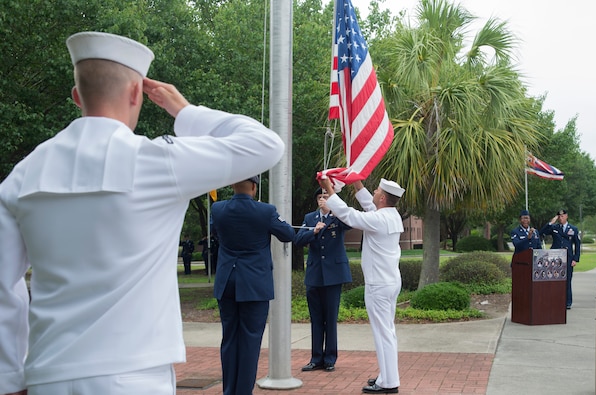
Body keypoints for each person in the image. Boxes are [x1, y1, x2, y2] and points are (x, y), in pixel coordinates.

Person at [0, 31, 285, 395]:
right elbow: (265, 145)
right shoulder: (156, 162)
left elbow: (3, 284)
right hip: (134, 373)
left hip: (47, 372)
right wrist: (184, 111)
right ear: (137, 93)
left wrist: (9, 377)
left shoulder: (23, 174)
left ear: (76, 97)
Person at [319, 176, 404, 395]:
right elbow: (368, 206)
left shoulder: (379, 219)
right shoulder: (390, 215)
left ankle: (389, 382)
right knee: (387, 332)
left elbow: (349, 214)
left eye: (376, 191)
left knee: (383, 333)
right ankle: (387, 376)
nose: (374, 193)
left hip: (379, 284)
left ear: (383, 198)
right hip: (389, 282)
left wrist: (329, 190)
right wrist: (357, 184)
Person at [212, 175, 295, 395]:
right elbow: (288, 235)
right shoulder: (265, 211)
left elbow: (217, 235)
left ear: (232, 185)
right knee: (250, 340)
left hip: (227, 281)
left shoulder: (218, 209)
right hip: (254, 285)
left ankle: (229, 390)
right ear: (254, 186)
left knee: (230, 338)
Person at [294, 188, 352, 373]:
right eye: (319, 197)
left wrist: (334, 209)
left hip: (333, 274)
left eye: (326, 197)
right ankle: (316, 358)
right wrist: (314, 232)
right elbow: (298, 239)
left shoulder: (338, 216)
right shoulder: (310, 218)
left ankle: (330, 358)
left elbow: (350, 224)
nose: (322, 200)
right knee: (316, 318)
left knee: (330, 318)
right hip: (315, 274)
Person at [540, 209, 581, 309]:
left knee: (567, 280)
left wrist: (575, 259)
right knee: (554, 278)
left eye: (562, 216)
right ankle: (554, 300)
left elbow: (577, 245)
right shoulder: (554, 227)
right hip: (555, 257)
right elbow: (541, 232)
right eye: (559, 216)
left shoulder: (573, 229)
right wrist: (551, 222)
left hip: (568, 257)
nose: (561, 218)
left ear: (566, 216)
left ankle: (568, 302)